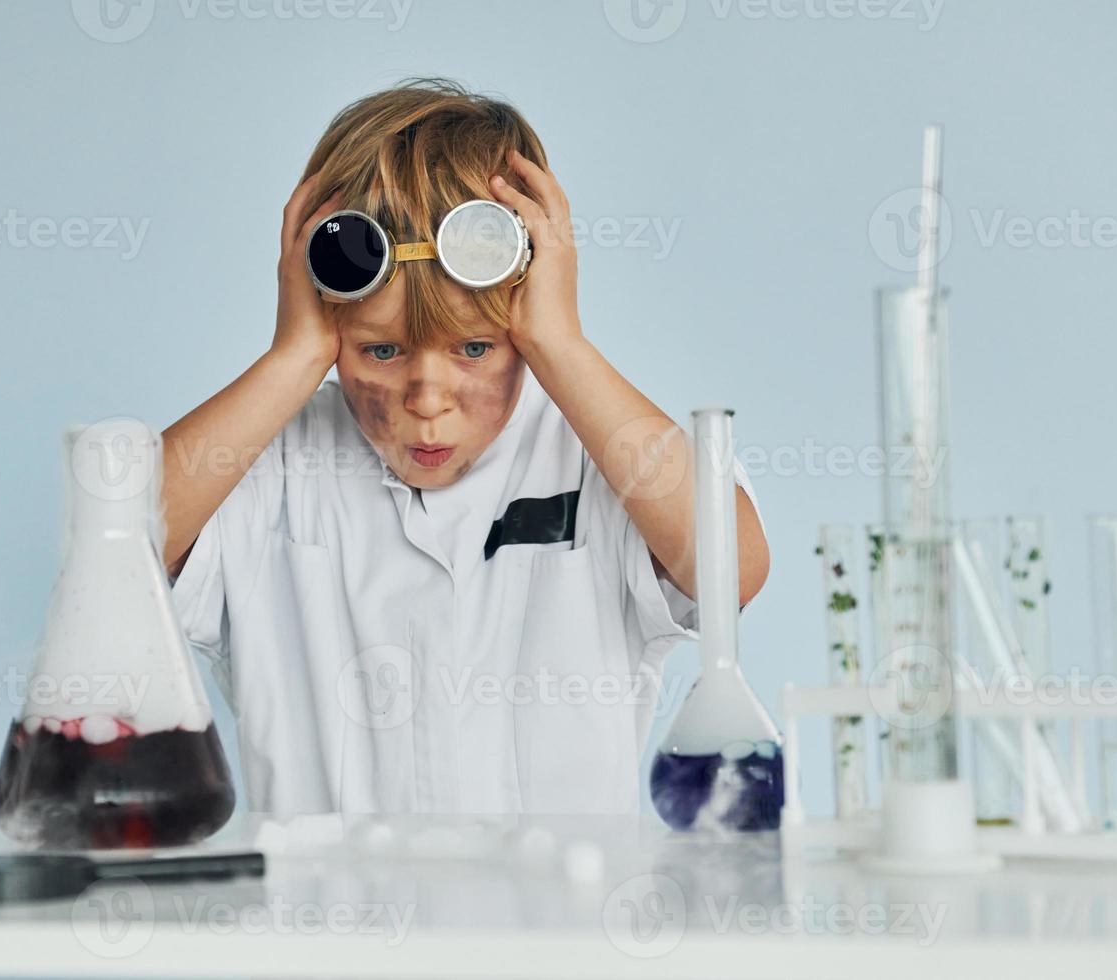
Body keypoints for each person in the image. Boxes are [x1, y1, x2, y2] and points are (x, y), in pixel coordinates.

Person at [162, 78, 770, 814]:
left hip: (559, 923)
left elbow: (730, 569)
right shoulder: (269, 463)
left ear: (528, 313)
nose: (427, 398)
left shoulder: (597, 452)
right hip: (323, 922)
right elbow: (115, 548)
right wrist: (291, 355)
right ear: (328, 327)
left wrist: (563, 344)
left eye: (474, 347)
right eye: (381, 351)